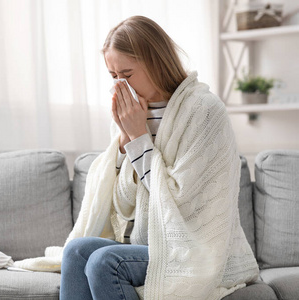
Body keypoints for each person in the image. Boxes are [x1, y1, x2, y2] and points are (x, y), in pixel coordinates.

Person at [14, 15, 259, 300]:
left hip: (195, 248)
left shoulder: (203, 110)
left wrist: (139, 137)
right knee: (77, 250)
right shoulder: (132, 116)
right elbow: (124, 204)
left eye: (127, 75)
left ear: (154, 61)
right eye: (113, 76)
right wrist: (124, 142)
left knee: (105, 261)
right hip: (147, 244)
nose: (120, 86)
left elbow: (180, 203)